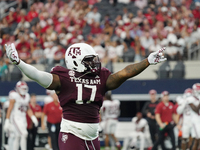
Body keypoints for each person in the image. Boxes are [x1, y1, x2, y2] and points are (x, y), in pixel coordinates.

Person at [4, 42, 166, 150]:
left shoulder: (101, 77)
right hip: (72, 133)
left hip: (92, 136)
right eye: (89, 60)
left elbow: (124, 74)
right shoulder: (64, 78)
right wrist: (19, 62)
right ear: (75, 62)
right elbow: (38, 75)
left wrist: (147, 62)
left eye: (93, 59)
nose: (94, 63)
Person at [4, 81, 38, 150]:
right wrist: (7, 121)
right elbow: (10, 109)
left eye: (25, 88)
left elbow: (28, 108)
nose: (24, 90)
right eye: (23, 88)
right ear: (18, 88)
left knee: (18, 136)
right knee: (24, 134)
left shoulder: (27, 96)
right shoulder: (14, 96)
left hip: (23, 118)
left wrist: (33, 117)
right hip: (15, 118)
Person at [186, 83, 200, 150]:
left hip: (198, 120)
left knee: (197, 140)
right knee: (198, 139)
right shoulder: (190, 98)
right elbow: (196, 110)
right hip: (195, 121)